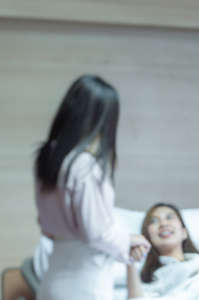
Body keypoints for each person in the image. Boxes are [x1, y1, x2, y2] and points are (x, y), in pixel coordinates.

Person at [34, 75, 150, 300]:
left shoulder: (47, 157)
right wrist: (130, 241)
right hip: (84, 285)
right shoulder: (85, 165)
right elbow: (96, 232)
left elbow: (46, 227)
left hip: (52, 283)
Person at [126, 203, 199, 300]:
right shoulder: (156, 278)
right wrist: (130, 261)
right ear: (148, 238)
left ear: (184, 232)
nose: (163, 224)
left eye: (169, 217)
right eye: (154, 221)